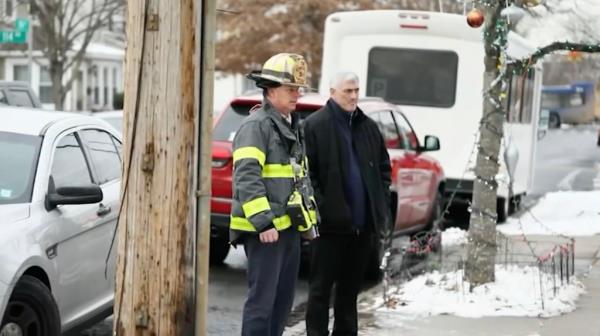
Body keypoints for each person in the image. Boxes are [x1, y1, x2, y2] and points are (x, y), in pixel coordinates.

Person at [230, 53, 318, 336]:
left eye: (298, 89)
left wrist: (308, 222)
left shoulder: (291, 123)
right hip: (266, 231)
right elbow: (246, 176)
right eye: (290, 89)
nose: (297, 94)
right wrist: (264, 222)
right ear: (270, 91)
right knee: (262, 304)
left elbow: (299, 177)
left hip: (287, 227)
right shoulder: (256, 126)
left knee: (282, 303)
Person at [303, 72, 392, 336]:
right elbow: (308, 173)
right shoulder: (314, 125)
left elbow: (384, 169)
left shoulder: (368, 126)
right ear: (332, 92)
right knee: (320, 290)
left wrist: (380, 201)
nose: (354, 96)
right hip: (328, 227)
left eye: (356, 90)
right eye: (347, 91)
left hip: (362, 227)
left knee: (349, 292)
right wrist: (323, 207)